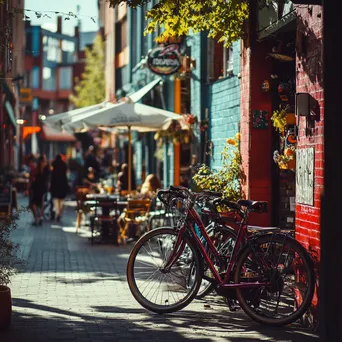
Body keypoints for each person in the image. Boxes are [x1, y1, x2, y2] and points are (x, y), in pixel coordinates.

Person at [29, 155, 49, 225]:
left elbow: (31, 178)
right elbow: (48, 178)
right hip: (43, 187)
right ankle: (41, 217)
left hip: (36, 187)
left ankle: (36, 219)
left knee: (33, 203)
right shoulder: (46, 167)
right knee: (41, 202)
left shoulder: (36, 167)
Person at [50, 154, 69, 222]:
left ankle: (56, 213)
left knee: (55, 201)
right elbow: (65, 175)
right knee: (61, 201)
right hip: (62, 184)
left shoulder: (53, 164)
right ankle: (59, 214)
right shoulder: (64, 165)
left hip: (55, 184)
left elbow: (51, 175)